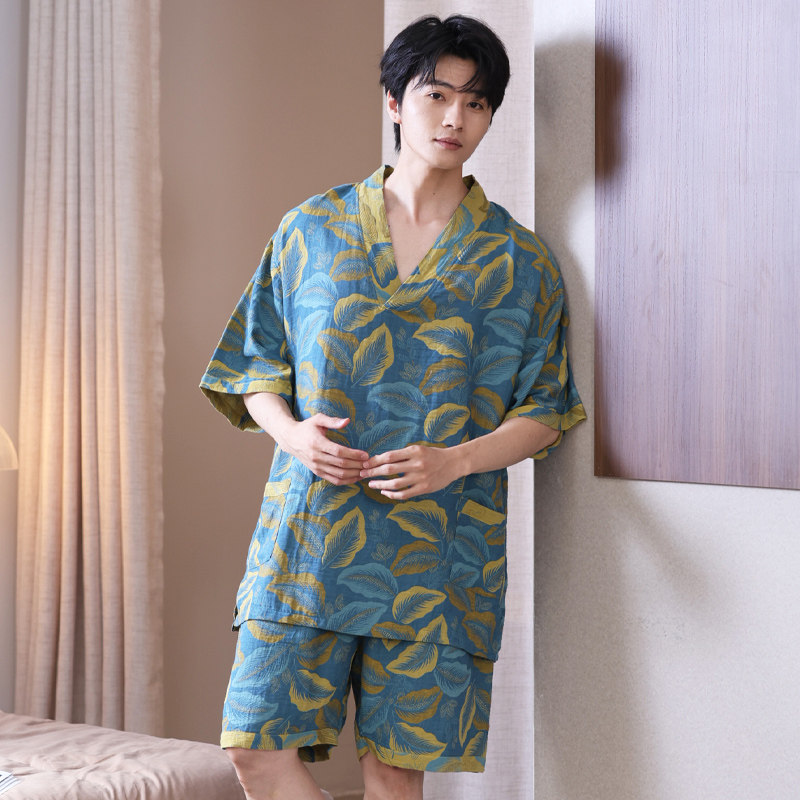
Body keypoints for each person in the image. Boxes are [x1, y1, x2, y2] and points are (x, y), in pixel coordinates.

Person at [200, 14, 585, 800]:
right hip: (308, 541)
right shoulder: (311, 230)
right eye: (435, 94)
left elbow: (546, 408)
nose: (454, 117)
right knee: (255, 748)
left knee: (394, 774)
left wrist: (456, 460)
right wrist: (292, 435)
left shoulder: (520, 261)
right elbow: (253, 363)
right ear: (394, 103)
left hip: (439, 554)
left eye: (476, 102)